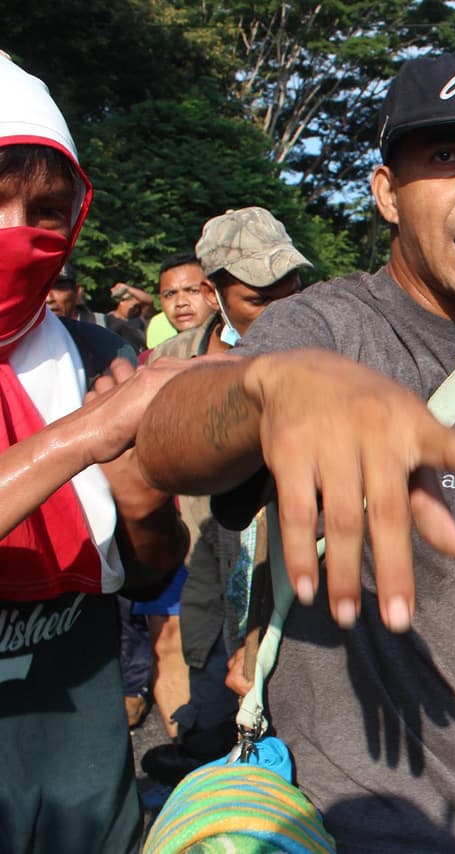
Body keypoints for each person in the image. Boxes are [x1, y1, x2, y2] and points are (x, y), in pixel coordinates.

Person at [133, 49, 455, 852]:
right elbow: (167, 445)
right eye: (445, 157)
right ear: (387, 194)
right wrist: (269, 390)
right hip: (355, 815)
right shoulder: (323, 329)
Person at [0, 54, 190, 851]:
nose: (18, 237)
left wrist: (140, 495)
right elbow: (88, 440)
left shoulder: (89, 354)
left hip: (79, 727)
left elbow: (151, 567)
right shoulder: (100, 404)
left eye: (45, 210)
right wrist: (84, 438)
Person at [140, 208, 312, 785]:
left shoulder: (322, 353)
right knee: (207, 670)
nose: (283, 309)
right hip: (200, 553)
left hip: (283, 564)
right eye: (259, 298)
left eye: (292, 287)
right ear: (214, 292)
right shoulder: (169, 367)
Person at [156, 251, 214, 336]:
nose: (180, 303)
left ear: (214, 294)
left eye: (193, 291)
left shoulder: (237, 346)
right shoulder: (160, 349)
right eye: (170, 294)